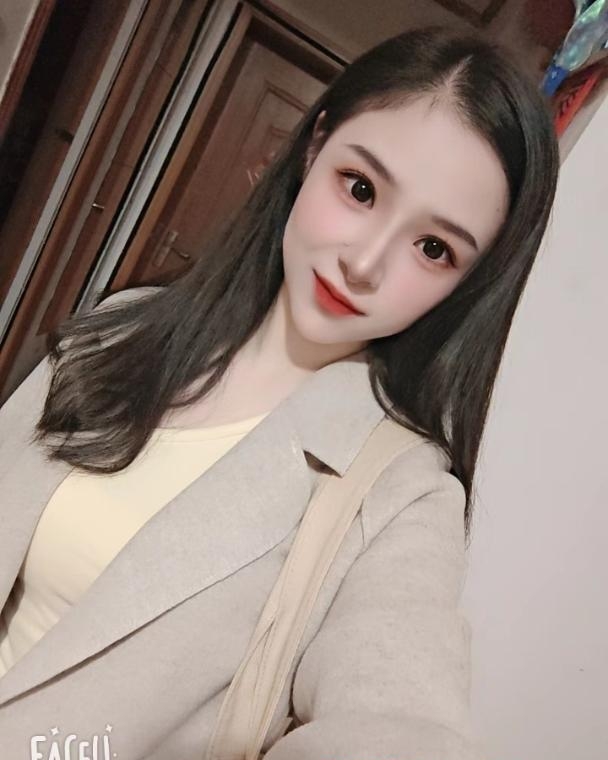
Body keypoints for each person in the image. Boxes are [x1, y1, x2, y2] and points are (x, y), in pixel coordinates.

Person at [0, 24, 558, 760]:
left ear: (468, 284)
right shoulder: (123, 328)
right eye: (360, 189)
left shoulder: (402, 496)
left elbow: (403, 722)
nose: (365, 262)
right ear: (313, 147)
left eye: (433, 248)